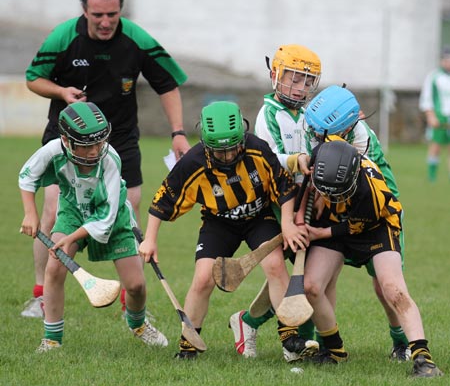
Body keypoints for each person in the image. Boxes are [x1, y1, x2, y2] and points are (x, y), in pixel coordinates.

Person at [21, 0, 190, 318]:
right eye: (97, 14)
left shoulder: (136, 39)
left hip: (120, 138)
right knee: (53, 211)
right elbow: (32, 78)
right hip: (64, 137)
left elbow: (168, 84)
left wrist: (178, 132)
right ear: (84, 11)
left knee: (127, 212)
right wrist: (61, 92)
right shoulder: (63, 36)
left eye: (112, 14)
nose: (105, 21)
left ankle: (133, 299)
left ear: (120, 10)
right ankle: (42, 295)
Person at [138, 101, 317, 360]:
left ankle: (290, 338)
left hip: (258, 216)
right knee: (202, 279)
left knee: (276, 265)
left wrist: (288, 223)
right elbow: (161, 201)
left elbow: (284, 187)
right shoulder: (193, 162)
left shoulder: (257, 148)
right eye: (219, 152)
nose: (228, 157)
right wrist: (150, 239)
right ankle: (188, 345)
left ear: (242, 137)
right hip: (218, 221)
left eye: (233, 149)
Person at [18, 102, 168, 352]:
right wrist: (30, 213)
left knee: (136, 285)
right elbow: (27, 175)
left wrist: (71, 239)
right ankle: (52, 339)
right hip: (72, 211)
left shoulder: (110, 159)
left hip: (113, 215)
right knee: (54, 269)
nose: (95, 150)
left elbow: (107, 217)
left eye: (99, 142)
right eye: (88, 145)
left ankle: (138, 324)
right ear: (67, 141)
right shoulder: (53, 150)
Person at [303, 139, 443, 378]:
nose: (330, 197)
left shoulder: (369, 191)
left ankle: (422, 358)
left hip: (376, 226)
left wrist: (317, 232)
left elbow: (354, 227)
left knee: (392, 289)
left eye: (337, 193)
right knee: (311, 287)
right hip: (335, 221)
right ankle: (334, 350)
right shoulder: (323, 154)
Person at [301, 85, 410, 360]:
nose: (313, 134)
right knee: (322, 280)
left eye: (318, 131)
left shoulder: (360, 143)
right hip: (338, 207)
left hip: (377, 212)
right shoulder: (321, 131)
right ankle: (328, 345)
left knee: (382, 285)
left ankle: (401, 341)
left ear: (346, 129)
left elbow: (356, 191)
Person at [228, 44, 322, 362]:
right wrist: (299, 160)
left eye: (307, 82)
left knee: (302, 274)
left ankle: (248, 322)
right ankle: (299, 341)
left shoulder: (308, 114)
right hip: (275, 202)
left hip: (305, 201)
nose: (301, 87)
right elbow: (271, 159)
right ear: (276, 76)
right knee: (294, 273)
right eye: (295, 79)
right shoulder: (268, 112)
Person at [419, 46, 450, 182]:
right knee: (436, 145)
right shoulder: (434, 76)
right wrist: (430, 115)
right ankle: (432, 176)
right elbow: (427, 97)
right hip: (439, 116)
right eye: (446, 59)